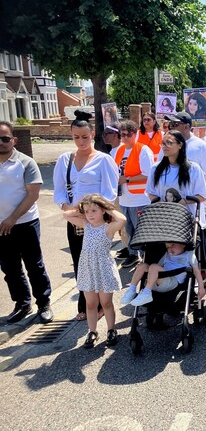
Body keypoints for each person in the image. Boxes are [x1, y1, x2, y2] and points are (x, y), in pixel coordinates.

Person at [53, 110, 119, 321]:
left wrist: (96, 211)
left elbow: (110, 192)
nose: (80, 141)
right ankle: (86, 304)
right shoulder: (65, 159)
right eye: (75, 137)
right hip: (75, 220)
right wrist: (67, 209)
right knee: (80, 261)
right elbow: (60, 189)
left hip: (97, 219)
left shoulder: (103, 160)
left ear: (92, 135)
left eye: (84, 136)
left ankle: (102, 304)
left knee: (98, 260)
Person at [0, 121, 54, 324]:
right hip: (0, 227)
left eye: (5, 138)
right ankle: (22, 303)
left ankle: (43, 303)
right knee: (10, 267)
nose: (2, 143)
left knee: (34, 265)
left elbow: (33, 194)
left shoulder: (25, 163)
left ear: (13, 140)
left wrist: (12, 218)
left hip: (25, 223)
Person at [63, 194, 126, 348]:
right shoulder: (86, 225)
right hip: (88, 269)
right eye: (87, 211)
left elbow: (122, 219)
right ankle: (92, 331)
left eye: (94, 211)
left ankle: (111, 329)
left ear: (102, 210)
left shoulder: (108, 227)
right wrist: (82, 207)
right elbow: (66, 214)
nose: (90, 214)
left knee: (106, 303)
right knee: (91, 304)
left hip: (103, 268)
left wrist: (107, 208)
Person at [114, 120, 154, 268]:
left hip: (139, 198)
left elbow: (148, 174)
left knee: (141, 231)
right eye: (121, 135)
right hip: (124, 198)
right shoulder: (120, 150)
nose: (124, 138)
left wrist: (127, 179)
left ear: (135, 134)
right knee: (129, 230)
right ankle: (133, 254)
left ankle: (146, 257)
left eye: (127, 135)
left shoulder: (143, 150)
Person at [121, 242, 205, 306]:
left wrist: (201, 287)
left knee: (154, 267)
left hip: (173, 281)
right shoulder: (167, 254)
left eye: (173, 246)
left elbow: (197, 271)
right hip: (156, 282)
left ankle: (146, 293)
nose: (169, 249)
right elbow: (158, 266)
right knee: (142, 266)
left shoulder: (189, 255)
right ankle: (131, 290)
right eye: (167, 247)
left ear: (183, 245)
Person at [146, 130, 206, 213]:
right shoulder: (156, 168)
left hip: (188, 219)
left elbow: (203, 195)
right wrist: (163, 205)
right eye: (163, 143)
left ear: (180, 145)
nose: (165, 146)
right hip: (163, 219)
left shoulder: (193, 169)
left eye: (169, 143)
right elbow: (150, 192)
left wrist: (181, 203)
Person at [164, 112, 206, 190]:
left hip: (193, 199)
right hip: (170, 196)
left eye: (175, 124)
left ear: (186, 127)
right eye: (171, 124)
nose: (171, 127)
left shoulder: (201, 146)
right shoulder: (166, 145)